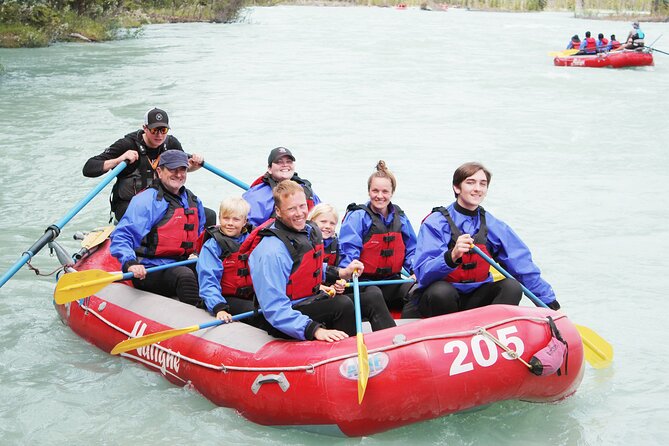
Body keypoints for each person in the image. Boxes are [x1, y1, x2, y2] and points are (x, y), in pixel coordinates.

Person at [249, 180, 394, 341]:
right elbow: (275, 308)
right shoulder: (271, 251)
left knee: (372, 295)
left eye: (302, 206)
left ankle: (394, 347)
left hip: (311, 300)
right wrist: (315, 330)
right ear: (278, 211)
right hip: (286, 315)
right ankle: (348, 356)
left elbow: (308, 266)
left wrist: (341, 272)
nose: (299, 213)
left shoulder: (307, 230)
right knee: (342, 305)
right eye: (291, 209)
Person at [412, 162, 559, 318]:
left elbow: (521, 266)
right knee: (442, 291)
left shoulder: (492, 224)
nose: (478, 188)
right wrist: (451, 256)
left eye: (483, 184)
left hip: (476, 298)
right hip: (441, 299)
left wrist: (551, 305)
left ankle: (490, 330)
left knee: (512, 286)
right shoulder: (435, 223)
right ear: (457, 188)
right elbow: (423, 274)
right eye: (470, 182)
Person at [110, 150, 206, 307]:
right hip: (149, 268)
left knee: (212, 270)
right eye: (172, 169)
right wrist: (131, 263)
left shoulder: (193, 200)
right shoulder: (146, 201)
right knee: (185, 276)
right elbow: (122, 236)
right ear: (160, 172)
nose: (178, 174)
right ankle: (200, 315)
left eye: (182, 169)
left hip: (180, 261)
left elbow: (201, 235)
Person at [82, 107, 209, 224]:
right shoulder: (126, 144)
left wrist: (194, 165)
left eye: (163, 130)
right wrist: (119, 160)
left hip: (163, 201)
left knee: (209, 216)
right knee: (155, 220)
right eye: (154, 130)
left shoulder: (171, 144)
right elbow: (89, 168)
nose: (159, 135)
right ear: (145, 128)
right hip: (130, 204)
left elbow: (180, 171)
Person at [338, 160, 418, 317]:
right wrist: (349, 272)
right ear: (369, 191)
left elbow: (412, 250)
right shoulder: (358, 216)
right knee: (374, 294)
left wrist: (415, 271)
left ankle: (407, 332)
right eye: (375, 191)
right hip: (364, 283)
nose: (379, 196)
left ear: (392, 193)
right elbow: (348, 250)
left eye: (385, 192)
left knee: (417, 292)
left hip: (392, 281)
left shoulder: (400, 217)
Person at [309, 203, 397, 330]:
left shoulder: (335, 244)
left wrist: (341, 282)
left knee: (373, 292)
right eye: (323, 221)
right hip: (312, 298)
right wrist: (321, 287)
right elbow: (305, 272)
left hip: (331, 293)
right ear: (312, 221)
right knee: (345, 303)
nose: (328, 226)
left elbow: (341, 267)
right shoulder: (306, 243)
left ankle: (390, 338)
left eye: (332, 223)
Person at [196, 197, 261, 323]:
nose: (230, 223)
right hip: (225, 299)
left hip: (250, 295)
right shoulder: (212, 245)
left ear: (244, 222)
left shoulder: (253, 241)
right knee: (257, 314)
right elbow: (208, 278)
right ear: (219, 218)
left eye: (236, 219)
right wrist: (219, 308)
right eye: (226, 218)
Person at [242, 147, 321, 227]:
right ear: (269, 168)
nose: (285, 165)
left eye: (289, 162)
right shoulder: (255, 195)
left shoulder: (306, 190)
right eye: (279, 162)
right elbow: (244, 227)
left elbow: (322, 217)